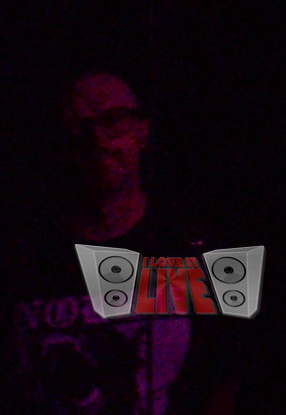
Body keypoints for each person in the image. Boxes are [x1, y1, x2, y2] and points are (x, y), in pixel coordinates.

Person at [2, 71, 240, 415]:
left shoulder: (193, 247)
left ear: (141, 132)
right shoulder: (25, 259)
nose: (97, 138)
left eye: (113, 120)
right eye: (78, 126)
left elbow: (227, 377)